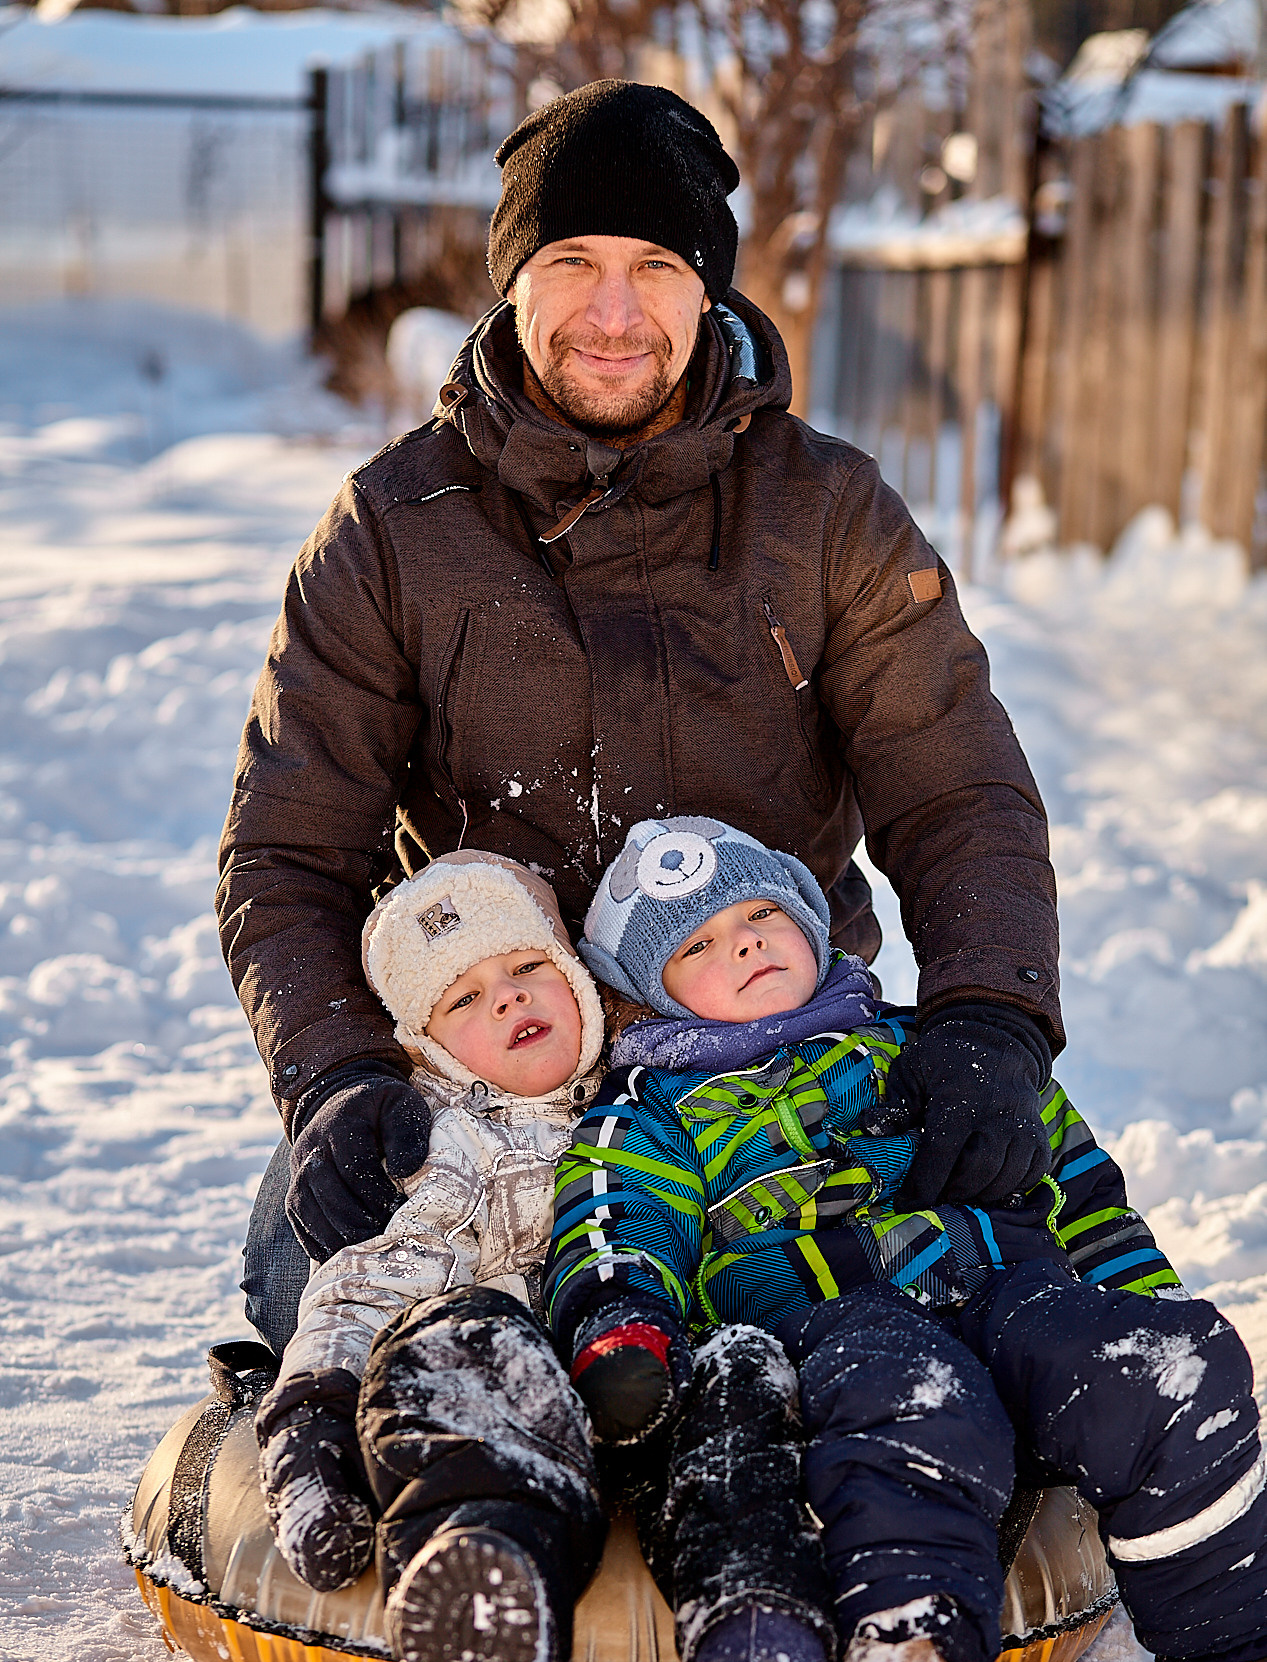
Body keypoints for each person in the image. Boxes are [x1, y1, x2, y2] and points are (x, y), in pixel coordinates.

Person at [217, 78, 1065, 1350]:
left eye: (655, 265)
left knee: (1004, 1251)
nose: (612, 314)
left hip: (766, 1051)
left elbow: (955, 786)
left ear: (707, 287)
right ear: (513, 279)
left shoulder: (826, 513)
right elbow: (289, 846)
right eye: (571, 260)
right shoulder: (394, 530)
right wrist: (336, 1072)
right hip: (492, 1079)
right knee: (307, 1282)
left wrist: (989, 1013)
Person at [544, 814, 1267, 1662]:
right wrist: (624, 1331)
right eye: (697, 945)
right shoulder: (649, 1111)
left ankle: (1240, 1650)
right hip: (836, 1328)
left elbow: (1077, 1185)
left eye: (758, 918)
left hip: (1008, 1292)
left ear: (808, 922)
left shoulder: (917, 1040)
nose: (742, 945)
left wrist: (1137, 1300)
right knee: (912, 1403)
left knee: (1172, 1364)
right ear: (649, 991)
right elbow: (616, 1227)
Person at [255, 847, 834, 1662]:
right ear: (429, 1045)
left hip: (647, 1379)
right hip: (513, 1400)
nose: (510, 1001)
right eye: (466, 999)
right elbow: (365, 1287)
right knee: (456, 1339)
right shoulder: (448, 1144)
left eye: (529, 972)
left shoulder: (662, 1101)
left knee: (740, 1360)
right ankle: (486, 1604)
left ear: (578, 986)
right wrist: (310, 1424)